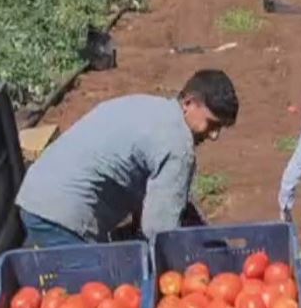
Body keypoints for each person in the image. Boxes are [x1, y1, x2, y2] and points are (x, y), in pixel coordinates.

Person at [15, 70, 238, 247]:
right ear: (189, 102)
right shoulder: (177, 143)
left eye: (221, 127)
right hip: (61, 217)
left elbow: (149, 192)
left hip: (38, 195)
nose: (214, 135)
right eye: (212, 123)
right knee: (97, 295)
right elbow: (160, 233)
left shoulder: (153, 109)